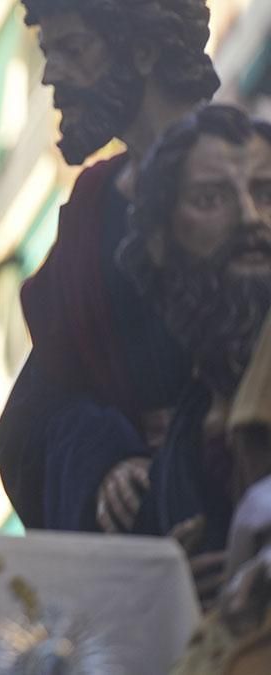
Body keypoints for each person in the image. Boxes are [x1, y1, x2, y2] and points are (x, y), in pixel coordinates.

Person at [0, 0, 220, 533]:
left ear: (141, 51)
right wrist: (102, 461)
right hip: (141, 527)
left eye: (73, 49)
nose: (51, 74)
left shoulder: (251, 178)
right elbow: (32, 417)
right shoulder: (92, 208)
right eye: (49, 53)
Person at [116, 105, 271, 604]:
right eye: (210, 199)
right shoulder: (187, 427)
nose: (252, 219)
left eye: (266, 194)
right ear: (160, 240)